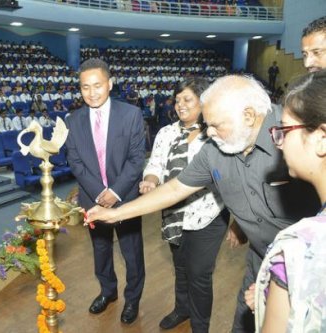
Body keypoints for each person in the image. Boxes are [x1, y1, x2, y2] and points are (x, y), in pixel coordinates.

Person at [86, 74, 320, 333]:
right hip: (262, 259)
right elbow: (175, 188)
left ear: (249, 116)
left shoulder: (293, 135)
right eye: (207, 125)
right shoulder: (214, 149)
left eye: (216, 125)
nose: (209, 133)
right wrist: (115, 213)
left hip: (310, 266)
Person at [141, 78, 227, 332]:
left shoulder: (215, 134)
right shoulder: (167, 133)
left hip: (209, 215)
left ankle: (200, 327)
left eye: (187, 100)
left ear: (203, 102)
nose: (180, 105)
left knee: (199, 275)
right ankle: (182, 309)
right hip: (174, 213)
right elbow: (155, 163)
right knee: (180, 267)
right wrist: (150, 180)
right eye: (177, 100)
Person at [245, 70, 326, 332]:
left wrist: (270, 301)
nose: (279, 143)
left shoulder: (299, 247)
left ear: (321, 138)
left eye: (284, 130)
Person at [66, 58, 146, 325]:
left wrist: (115, 192)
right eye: (85, 87)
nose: (91, 93)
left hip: (126, 200)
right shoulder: (73, 119)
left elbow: (136, 160)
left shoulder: (131, 114)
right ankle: (107, 292)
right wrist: (101, 193)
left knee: (131, 252)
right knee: (100, 250)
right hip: (92, 199)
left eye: (97, 85)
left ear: (110, 84)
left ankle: (132, 298)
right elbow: (74, 161)